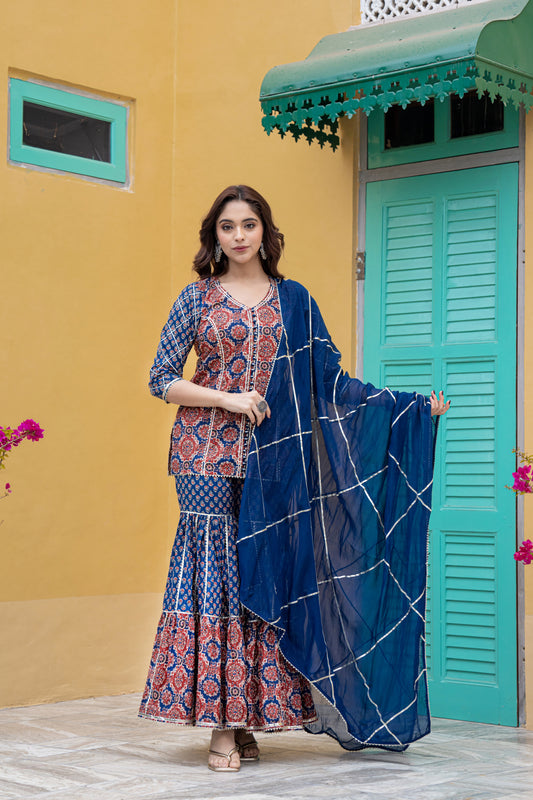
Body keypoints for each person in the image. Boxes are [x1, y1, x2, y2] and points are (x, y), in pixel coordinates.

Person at [139, 185, 449, 773]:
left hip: (277, 459)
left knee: (269, 576)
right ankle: (222, 727)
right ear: (214, 236)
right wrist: (228, 398)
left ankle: (250, 718)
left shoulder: (295, 301)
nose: (238, 236)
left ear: (265, 232)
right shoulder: (196, 298)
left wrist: (408, 408)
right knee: (220, 582)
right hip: (206, 456)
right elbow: (162, 379)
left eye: (248, 224)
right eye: (227, 226)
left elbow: (331, 382)